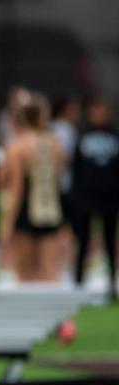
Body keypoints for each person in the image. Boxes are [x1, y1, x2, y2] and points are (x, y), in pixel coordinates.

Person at [0, 94, 66, 282]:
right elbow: (58, 181)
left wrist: (8, 224)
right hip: (51, 211)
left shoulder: (16, 146)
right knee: (51, 273)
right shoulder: (55, 144)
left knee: (26, 276)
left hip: (25, 213)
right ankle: (61, 312)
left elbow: (15, 187)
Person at [71, 96, 119, 301]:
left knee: (110, 241)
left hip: (110, 197)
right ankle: (79, 282)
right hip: (87, 197)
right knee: (83, 240)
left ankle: (112, 284)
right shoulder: (82, 135)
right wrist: (77, 196)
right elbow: (76, 168)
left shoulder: (114, 135)